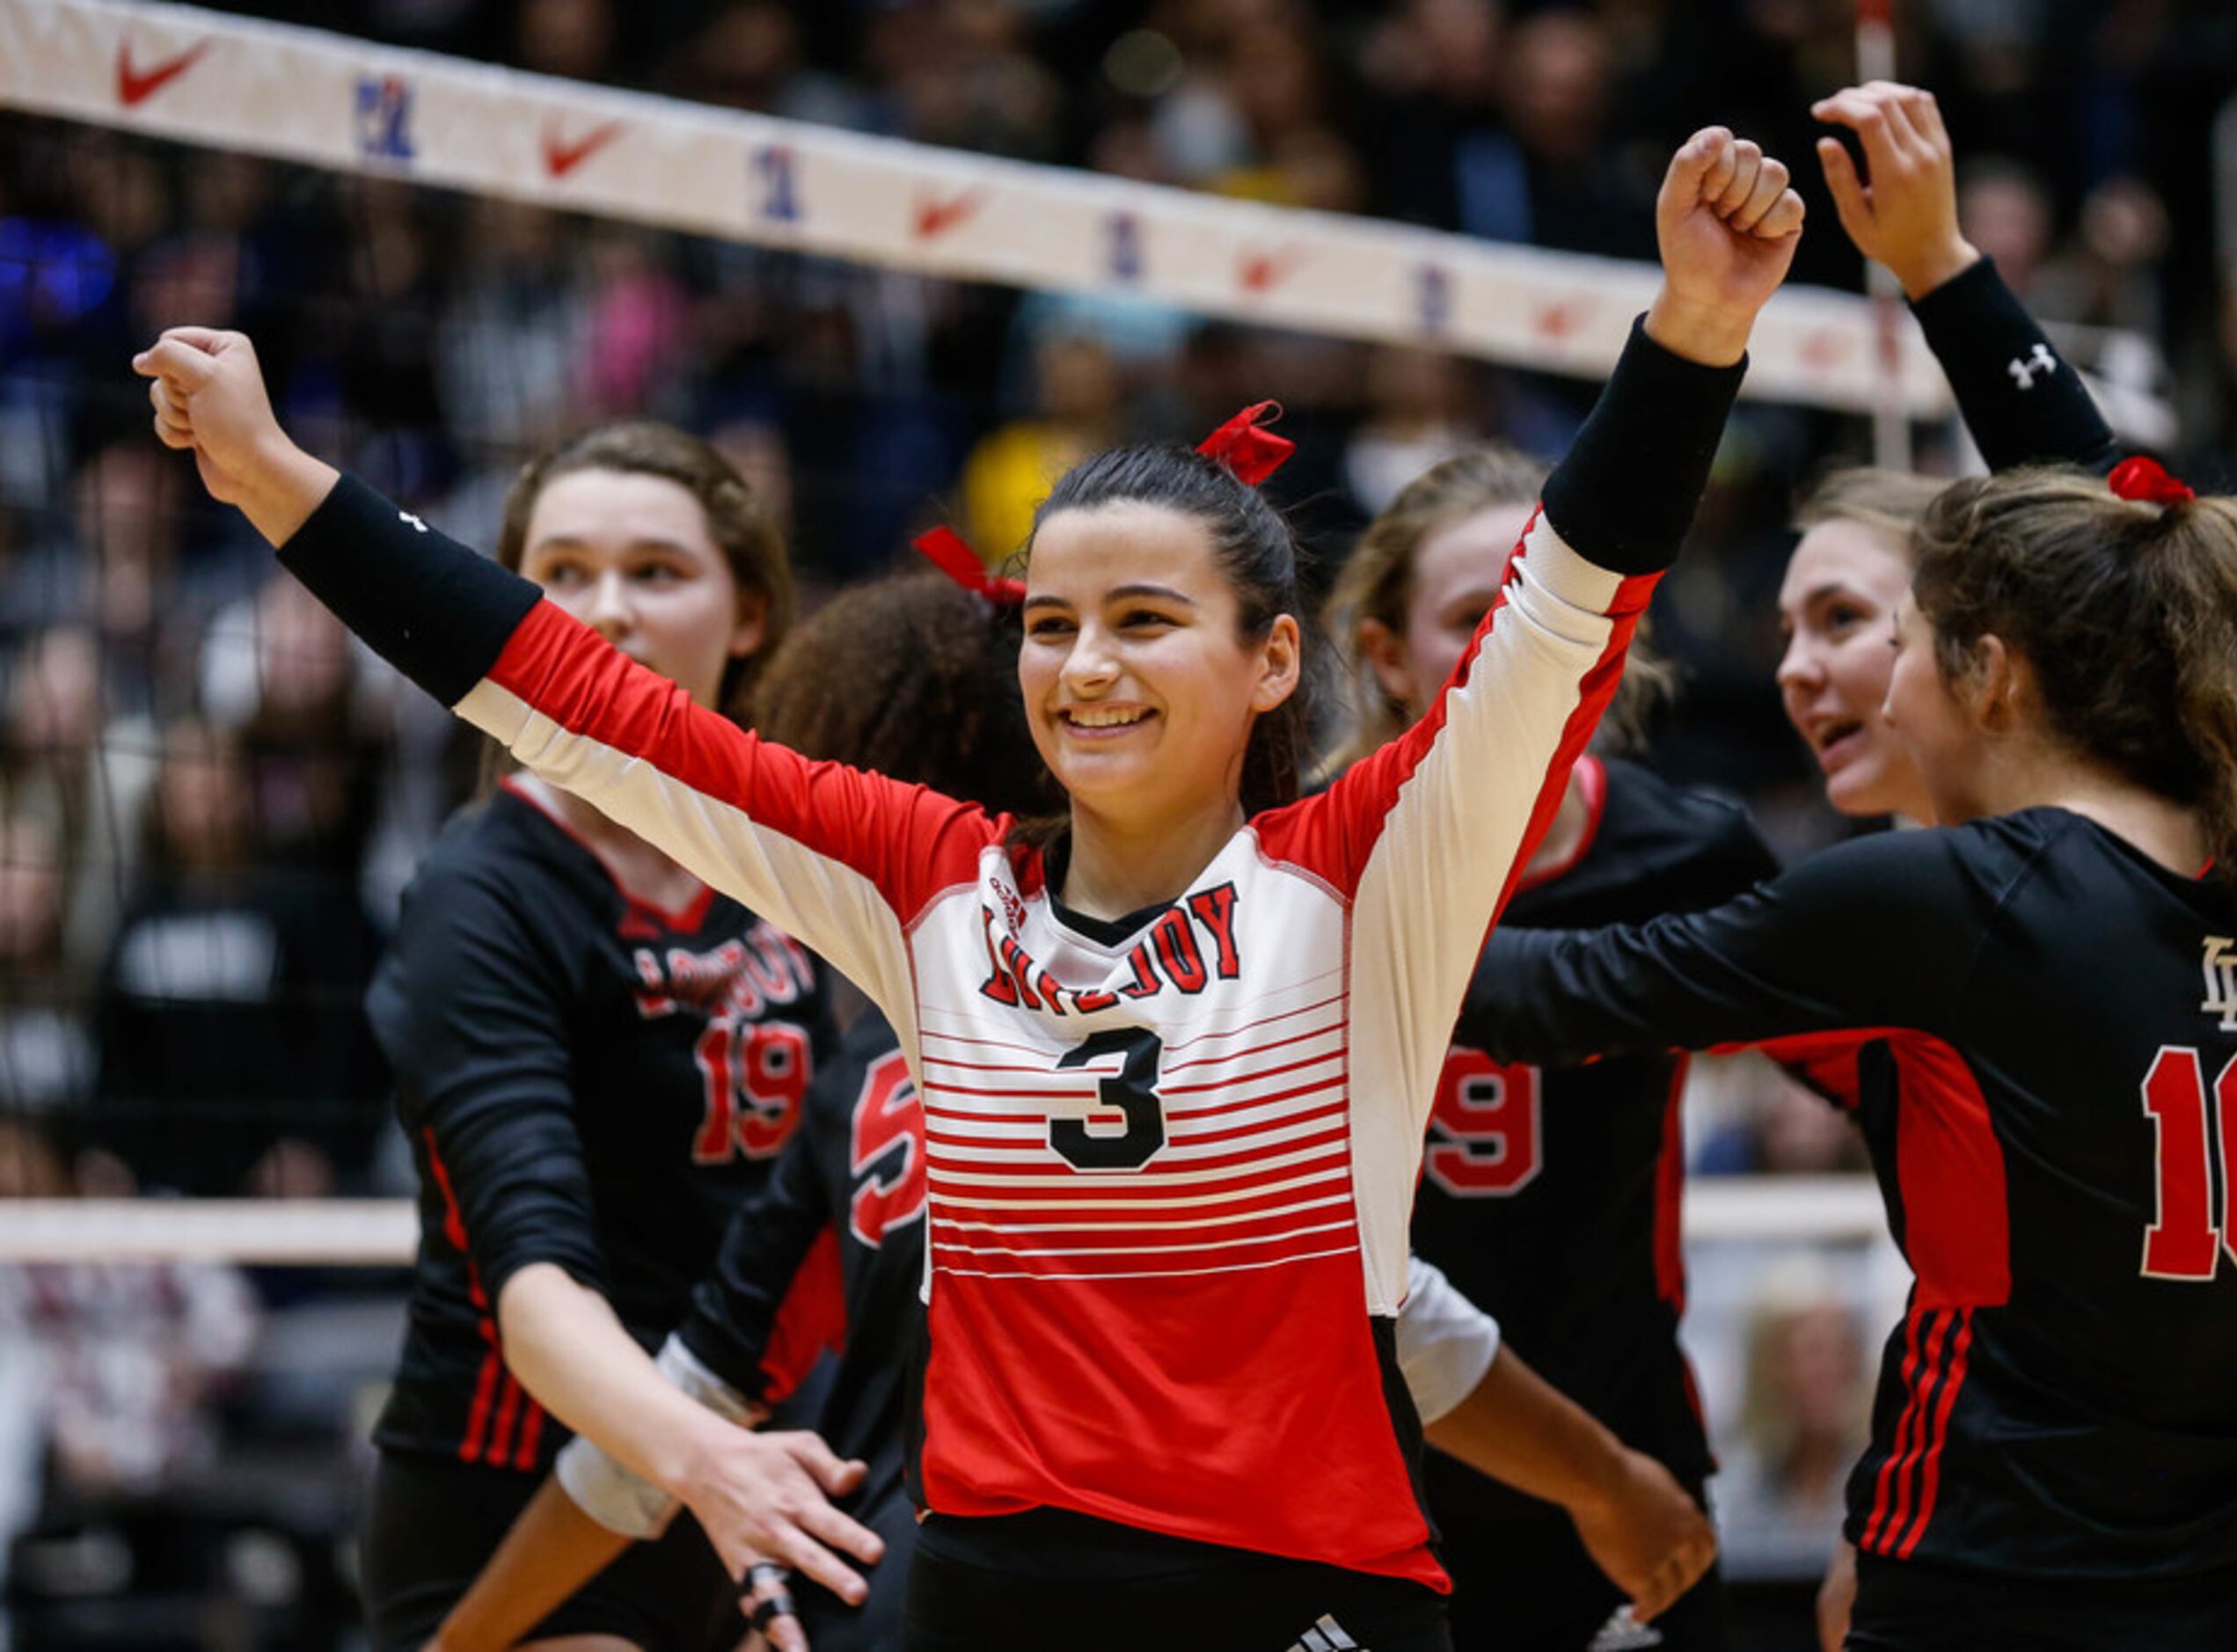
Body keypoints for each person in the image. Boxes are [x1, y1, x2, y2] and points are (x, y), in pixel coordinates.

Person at [140, 126, 1806, 1652]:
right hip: (987, 1597)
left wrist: (1694, 330)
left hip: (1306, 1597)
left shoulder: (1371, 874)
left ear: (1274, 658)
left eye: (1145, 620)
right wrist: (286, 484)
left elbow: (1560, 616)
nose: (1086, 665)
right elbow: (586, 704)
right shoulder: (928, 885)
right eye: (1053, 625)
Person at [426, 566, 1720, 1651]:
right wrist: (1610, 1480)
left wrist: (461, 1637)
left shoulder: (861, 1086)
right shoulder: (1267, 979)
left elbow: (683, 1406)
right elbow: (1413, 1331)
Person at [1799, 81, 2237, 1652]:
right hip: (2177, 1464)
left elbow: (2131, 549)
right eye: (1792, 625)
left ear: (1989, 658)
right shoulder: (1918, 897)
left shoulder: (2198, 836)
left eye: (1854, 621)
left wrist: (1948, 270)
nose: (1809, 670)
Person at [330, 420, 835, 1651]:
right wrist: (709, 1457)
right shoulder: (482, 892)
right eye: (560, 575)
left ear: (751, 611)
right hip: (521, 1492)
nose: (606, 612)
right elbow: (536, 1284)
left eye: (657, 571)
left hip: (765, 1459)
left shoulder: (809, 852)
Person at [1323, 443, 1774, 1650]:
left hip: (1625, 1448)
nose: (1516, 648)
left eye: (1539, 608)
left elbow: (1895, 1088)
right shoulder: (1300, 868)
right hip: (1369, 1472)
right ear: (1382, 655)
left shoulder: (1693, 852)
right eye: (1475, 616)